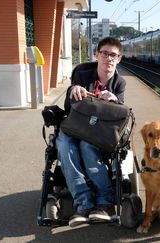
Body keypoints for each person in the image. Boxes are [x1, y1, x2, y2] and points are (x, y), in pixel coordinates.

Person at [56, 37, 126, 227]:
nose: (109, 58)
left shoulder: (119, 83)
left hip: (98, 131)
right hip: (76, 125)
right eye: (105, 53)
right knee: (65, 145)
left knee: (87, 146)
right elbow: (68, 107)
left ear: (119, 59)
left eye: (113, 55)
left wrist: (114, 101)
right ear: (97, 55)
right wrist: (74, 89)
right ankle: (83, 204)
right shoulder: (82, 73)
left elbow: (120, 116)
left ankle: (104, 203)